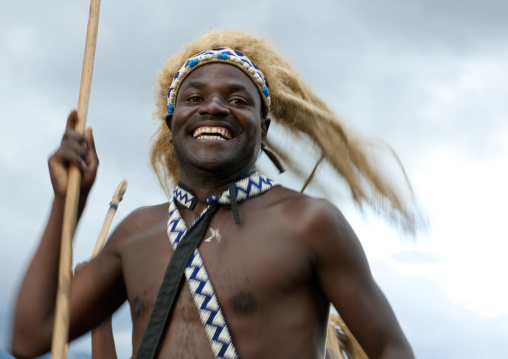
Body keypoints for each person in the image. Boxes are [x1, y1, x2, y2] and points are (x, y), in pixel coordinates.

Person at [11, 30, 418, 358]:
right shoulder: (137, 232)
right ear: (171, 124)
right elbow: (30, 338)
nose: (215, 108)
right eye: (194, 98)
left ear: (263, 129)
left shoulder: (308, 223)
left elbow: (389, 348)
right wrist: (67, 202)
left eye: (238, 100)